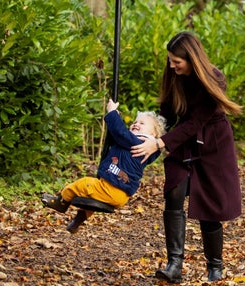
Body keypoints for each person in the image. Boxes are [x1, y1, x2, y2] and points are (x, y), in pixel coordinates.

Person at [131, 31, 242, 283]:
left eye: (176, 61)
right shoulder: (174, 76)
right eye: (170, 60)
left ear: (191, 58)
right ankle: (174, 265)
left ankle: (215, 268)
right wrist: (149, 132)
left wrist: (160, 144)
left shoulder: (214, 79)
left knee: (210, 207)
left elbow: (196, 122)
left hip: (214, 144)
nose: (171, 65)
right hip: (184, 143)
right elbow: (168, 113)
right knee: (174, 192)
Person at [41, 99, 166, 233]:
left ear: (153, 135)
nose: (136, 124)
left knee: (83, 183)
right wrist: (115, 119)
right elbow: (118, 135)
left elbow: (120, 132)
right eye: (135, 122)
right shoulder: (136, 145)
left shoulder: (139, 142)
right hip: (118, 194)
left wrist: (112, 112)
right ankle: (76, 222)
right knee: (91, 202)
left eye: (142, 123)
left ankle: (61, 202)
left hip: (113, 188)